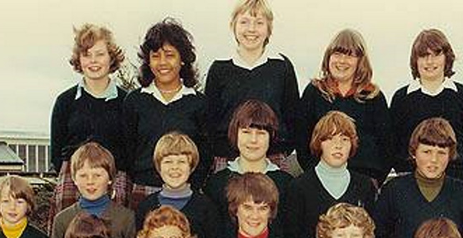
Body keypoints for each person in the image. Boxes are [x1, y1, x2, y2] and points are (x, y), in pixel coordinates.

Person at [123, 18, 210, 208]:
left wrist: (191, 185)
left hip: (186, 192)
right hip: (144, 192)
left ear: (183, 59)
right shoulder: (134, 101)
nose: (162, 62)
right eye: (155, 55)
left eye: (169, 55)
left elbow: (205, 154)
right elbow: (128, 152)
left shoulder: (199, 103)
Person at [204, 0, 300, 172]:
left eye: (259, 23)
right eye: (244, 22)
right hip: (227, 160)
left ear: (269, 28)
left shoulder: (281, 66)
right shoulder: (219, 68)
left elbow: (293, 118)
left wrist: (280, 150)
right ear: (233, 25)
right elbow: (210, 122)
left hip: (273, 160)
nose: (251, 29)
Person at [49, 23, 131, 223]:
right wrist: (78, 173)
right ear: (79, 59)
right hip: (74, 178)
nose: (93, 61)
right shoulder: (65, 101)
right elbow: (57, 151)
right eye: (87, 55)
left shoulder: (127, 101)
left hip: (115, 178)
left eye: (100, 54)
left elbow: (130, 147)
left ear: (111, 57)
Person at [282, 110, 378, 238]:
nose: (338, 145)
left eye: (344, 139)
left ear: (352, 145)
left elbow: (370, 236)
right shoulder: (299, 187)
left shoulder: (364, 185)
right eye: (330, 139)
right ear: (319, 143)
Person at [297, 29, 393, 184]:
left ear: (360, 61)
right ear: (328, 57)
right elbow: (301, 140)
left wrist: (374, 182)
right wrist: (314, 176)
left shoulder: (373, 96)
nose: (342, 61)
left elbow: (387, 147)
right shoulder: (314, 92)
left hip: (363, 180)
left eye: (349, 55)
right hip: (323, 178)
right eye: (337, 54)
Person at [389, 28, 463, 182]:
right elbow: (394, 143)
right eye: (423, 56)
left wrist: (460, 175)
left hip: (453, 180)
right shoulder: (401, 98)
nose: (429, 62)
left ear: (447, 58)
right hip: (410, 180)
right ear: (415, 61)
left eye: (436, 55)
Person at [133, 132, 220, 238]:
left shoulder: (206, 207)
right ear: (158, 167)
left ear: (191, 166)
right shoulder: (145, 207)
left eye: (181, 162)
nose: (175, 167)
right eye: (168, 162)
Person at [50, 142, 140, 238]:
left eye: (97, 175)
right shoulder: (62, 219)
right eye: (83, 175)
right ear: (74, 179)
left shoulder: (126, 218)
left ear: (110, 178)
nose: (90, 182)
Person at [203, 99, 295, 229]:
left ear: (271, 136)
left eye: (261, 133)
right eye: (246, 132)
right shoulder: (216, 184)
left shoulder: (286, 184)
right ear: (235, 134)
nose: (253, 140)